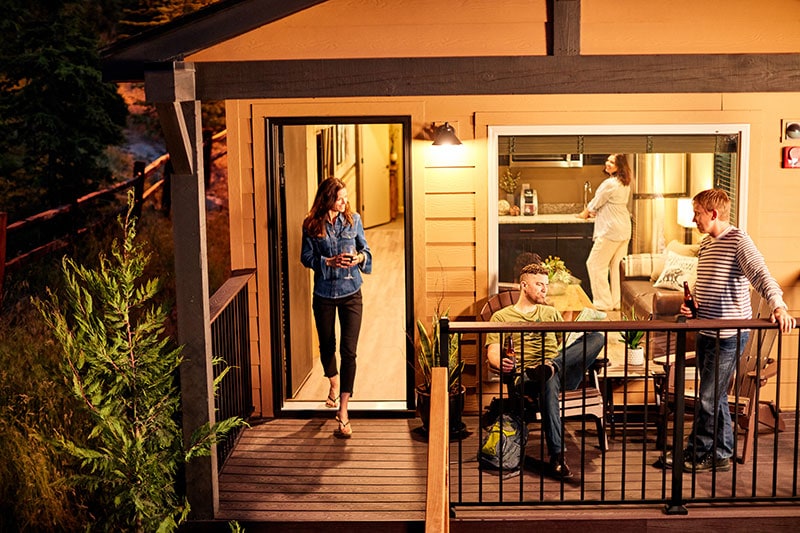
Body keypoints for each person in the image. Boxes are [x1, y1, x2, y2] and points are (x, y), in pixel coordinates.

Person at [662, 188, 795, 472]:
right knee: (716, 395)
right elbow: (704, 286)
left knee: (708, 397)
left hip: (729, 336)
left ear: (712, 213)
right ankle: (721, 453)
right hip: (706, 331)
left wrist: (779, 306)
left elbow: (761, 275)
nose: (693, 218)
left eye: (696, 212)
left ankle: (697, 452)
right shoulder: (707, 245)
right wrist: (693, 306)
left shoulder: (738, 241)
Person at [485, 263, 605, 478]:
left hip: (561, 371)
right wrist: (499, 363)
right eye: (539, 285)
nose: (544, 289)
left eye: (546, 285)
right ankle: (557, 457)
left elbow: (565, 344)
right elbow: (493, 352)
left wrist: (563, 356)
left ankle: (551, 366)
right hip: (526, 378)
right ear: (524, 286)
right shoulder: (501, 317)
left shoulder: (551, 313)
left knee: (597, 336)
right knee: (547, 380)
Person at [301, 177, 372, 438]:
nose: (344, 202)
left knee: (349, 352)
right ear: (328, 199)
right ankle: (333, 382)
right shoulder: (311, 224)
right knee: (327, 346)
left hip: (352, 293)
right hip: (324, 294)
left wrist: (360, 258)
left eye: (345, 198)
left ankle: (343, 410)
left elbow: (366, 250)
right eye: (340, 198)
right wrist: (327, 262)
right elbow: (305, 257)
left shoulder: (353, 219)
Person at [578, 153, 633, 311]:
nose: (607, 163)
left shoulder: (609, 183)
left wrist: (587, 212)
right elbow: (610, 204)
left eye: (612, 162)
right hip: (623, 228)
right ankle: (616, 303)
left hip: (611, 230)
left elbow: (595, 203)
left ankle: (603, 303)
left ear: (619, 166)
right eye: (608, 160)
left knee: (595, 264)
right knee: (615, 267)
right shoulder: (624, 183)